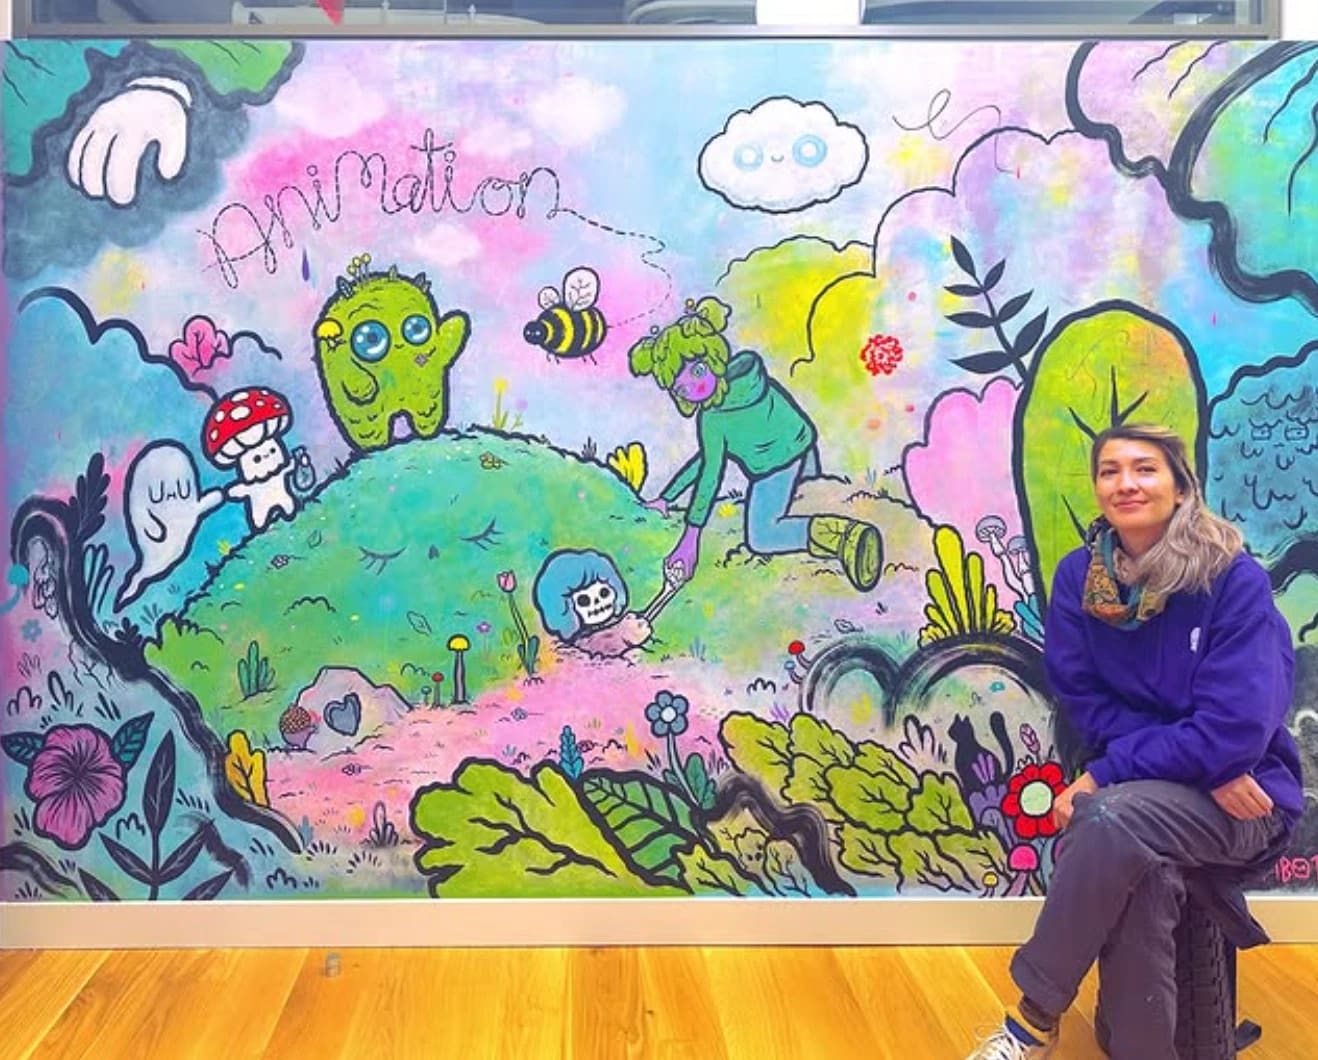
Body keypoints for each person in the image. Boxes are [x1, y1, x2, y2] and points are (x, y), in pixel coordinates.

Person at [967, 423, 1303, 1060]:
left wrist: (1109, 772)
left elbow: (1235, 728)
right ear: (1097, 490)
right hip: (1189, 787)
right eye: (1110, 470)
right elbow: (1086, 702)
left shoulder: (1232, 581)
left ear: (1180, 486)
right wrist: (1195, 764)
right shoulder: (1077, 580)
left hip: (1249, 799)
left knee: (1109, 815)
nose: (1126, 483)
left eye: (1145, 469)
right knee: (1135, 857)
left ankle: (1033, 1019)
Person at [628, 296, 882, 592]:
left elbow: (711, 472)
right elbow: (706, 459)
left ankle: (845, 539)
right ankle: (840, 541)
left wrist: (690, 537)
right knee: (807, 498)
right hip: (803, 446)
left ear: (711, 356)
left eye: (697, 371)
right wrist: (668, 496)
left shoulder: (713, 418)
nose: (694, 387)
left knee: (761, 536)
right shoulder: (753, 380)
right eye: (682, 387)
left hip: (773, 468)